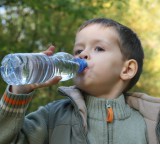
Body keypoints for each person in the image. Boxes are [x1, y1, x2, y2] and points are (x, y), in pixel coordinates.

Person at [0, 18, 160, 144]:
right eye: (78, 50)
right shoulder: (52, 116)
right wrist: (18, 93)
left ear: (127, 69)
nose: (82, 54)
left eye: (98, 48)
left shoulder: (152, 123)